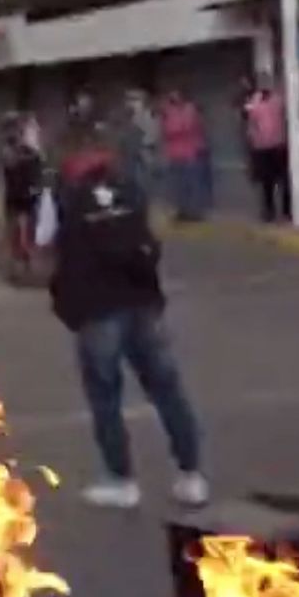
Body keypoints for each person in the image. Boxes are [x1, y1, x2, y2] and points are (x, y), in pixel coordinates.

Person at [35, 118, 207, 509]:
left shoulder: (62, 190)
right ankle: (191, 476)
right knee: (167, 389)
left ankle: (121, 481)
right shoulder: (129, 184)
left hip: (96, 307)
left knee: (105, 396)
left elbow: (44, 242)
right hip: (141, 299)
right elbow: (147, 233)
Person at [0, 111, 45, 265]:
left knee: (21, 222)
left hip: (22, 191)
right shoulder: (14, 148)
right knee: (18, 222)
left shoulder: (22, 148)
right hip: (20, 191)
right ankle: (16, 255)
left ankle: (19, 254)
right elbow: (14, 164)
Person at [244, 75, 290, 222]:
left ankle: (287, 211)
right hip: (261, 147)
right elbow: (249, 120)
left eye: (267, 82)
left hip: (279, 144)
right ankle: (269, 211)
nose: (264, 86)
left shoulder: (279, 99)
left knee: (284, 180)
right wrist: (252, 140)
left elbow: (286, 117)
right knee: (266, 182)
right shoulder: (253, 101)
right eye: (262, 83)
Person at [159, 89, 208, 222]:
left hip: (190, 153)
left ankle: (195, 212)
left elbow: (181, 127)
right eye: (171, 97)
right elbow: (166, 130)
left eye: (174, 97)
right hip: (176, 153)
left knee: (192, 184)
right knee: (179, 186)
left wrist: (169, 120)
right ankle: (183, 211)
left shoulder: (189, 110)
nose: (172, 100)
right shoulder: (169, 111)